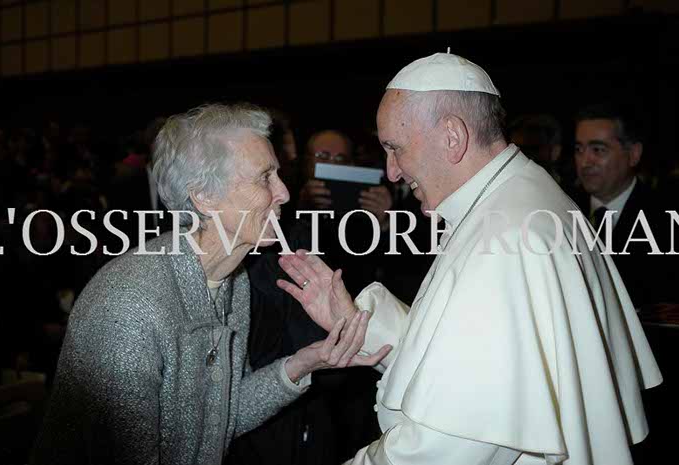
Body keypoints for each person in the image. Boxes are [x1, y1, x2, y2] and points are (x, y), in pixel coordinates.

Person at [278, 52, 662, 465]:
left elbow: (449, 442)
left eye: (395, 148)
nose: (391, 172)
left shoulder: (506, 239)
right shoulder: (517, 195)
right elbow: (459, 363)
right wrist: (356, 322)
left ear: (452, 136)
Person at [30, 104, 390, 465]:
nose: (284, 192)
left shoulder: (234, 280)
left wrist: (302, 364)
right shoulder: (130, 307)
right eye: (265, 178)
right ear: (204, 196)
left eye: (278, 175)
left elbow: (220, 418)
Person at [572, 103, 676, 308]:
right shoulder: (561, 209)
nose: (585, 162)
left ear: (634, 154)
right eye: (579, 150)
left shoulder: (666, 219)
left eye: (598, 150)